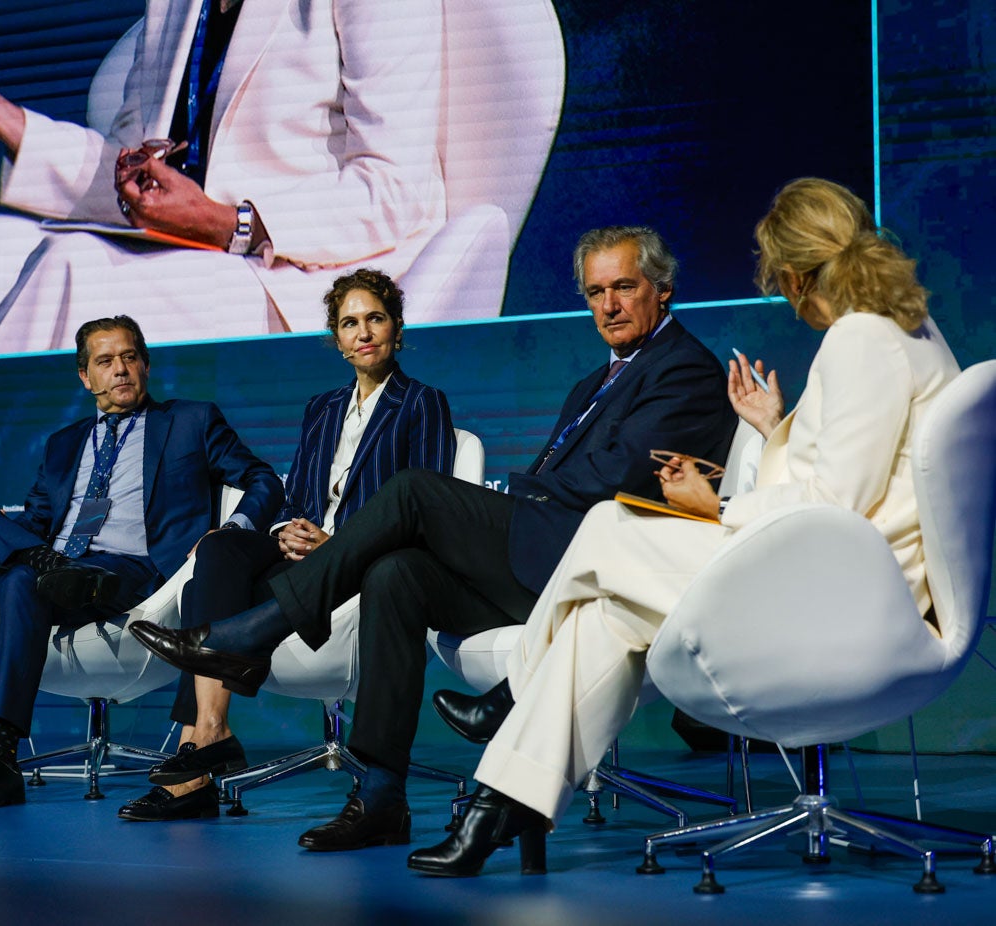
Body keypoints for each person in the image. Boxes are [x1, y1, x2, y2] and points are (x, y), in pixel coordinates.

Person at [406, 177, 961, 877]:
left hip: (848, 595)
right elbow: (855, 482)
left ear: (792, 274)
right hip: (844, 574)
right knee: (601, 617)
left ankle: (514, 690)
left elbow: (834, 506)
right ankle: (501, 802)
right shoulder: (903, 329)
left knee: (608, 524)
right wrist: (773, 429)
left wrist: (717, 507)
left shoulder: (860, 338)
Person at [131, 225, 738, 849]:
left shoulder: (685, 369)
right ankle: (380, 796)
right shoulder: (595, 382)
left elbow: (613, 478)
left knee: (416, 490)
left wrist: (523, 493)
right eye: (594, 292)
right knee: (397, 575)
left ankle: (257, 632)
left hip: (587, 571)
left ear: (663, 291)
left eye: (624, 288)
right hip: (540, 558)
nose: (607, 306)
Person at [0, 0, 556, 352]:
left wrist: (227, 224)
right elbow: (130, 176)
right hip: (182, 258)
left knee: (74, 271)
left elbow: (396, 193)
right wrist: (0, 116)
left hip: (304, 278)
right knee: (63, 255)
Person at [117, 268, 456, 822]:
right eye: (350, 323)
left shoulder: (423, 403)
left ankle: (193, 760)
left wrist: (339, 542)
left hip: (362, 567)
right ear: (337, 338)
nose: (364, 332)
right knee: (220, 550)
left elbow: (427, 505)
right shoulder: (321, 408)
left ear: (397, 327)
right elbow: (294, 496)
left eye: (375, 318)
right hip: (296, 558)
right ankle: (212, 728)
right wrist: (283, 531)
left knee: (227, 583)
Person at [0, 315, 283, 810]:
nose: (120, 369)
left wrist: (233, 530)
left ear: (145, 365)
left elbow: (262, 479)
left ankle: (0, 754)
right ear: (85, 377)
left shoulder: (190, 420)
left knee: (19, 580)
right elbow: (37, 517)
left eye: (129, 358)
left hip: (131, 572)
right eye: (105, 361)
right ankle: (2, 756)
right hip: (56, 563)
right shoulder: (62, 445)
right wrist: (11, 543)